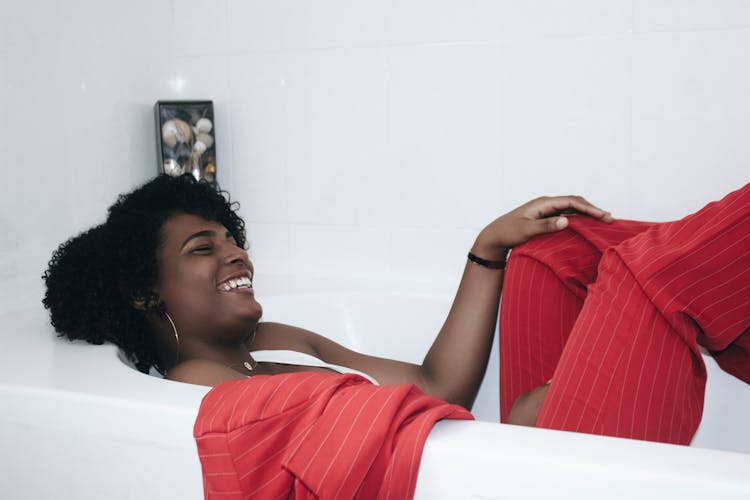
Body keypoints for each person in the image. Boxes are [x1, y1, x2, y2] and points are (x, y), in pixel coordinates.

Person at [43, 174, 750, 445]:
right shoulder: (196, 386)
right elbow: (390, 446)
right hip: (500, 481)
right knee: (645, 273)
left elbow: (439, 390)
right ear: (146, 293)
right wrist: (535, 416)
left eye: (233, 240)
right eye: (204, 248)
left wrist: (488, 247)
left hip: (508, 466)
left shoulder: (278, 340)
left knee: (543, 256)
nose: (236, 257)